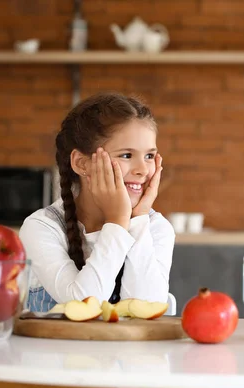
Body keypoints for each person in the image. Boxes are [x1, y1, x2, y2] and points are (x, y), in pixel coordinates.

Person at [19, 92, 175, 312]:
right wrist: (118, 222)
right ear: (82, 163)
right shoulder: (42, 227)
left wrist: (138, 221)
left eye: (149, 156)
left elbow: (145, 311)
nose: (142, 170)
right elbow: (82, 305)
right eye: (127, 155)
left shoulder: (157, 229)